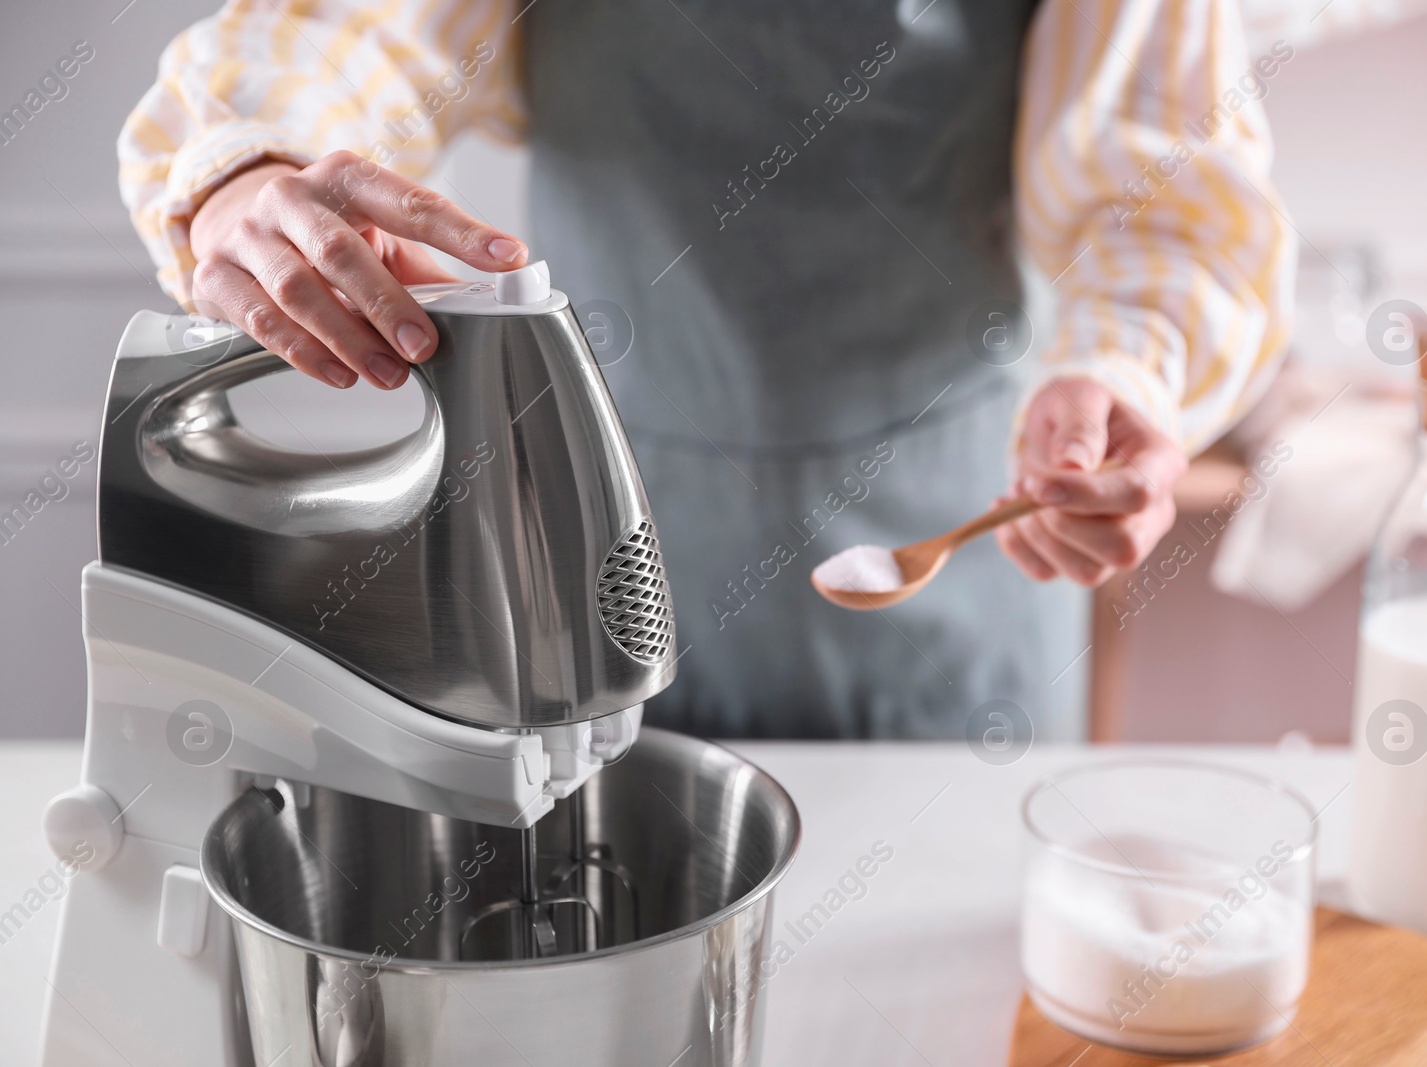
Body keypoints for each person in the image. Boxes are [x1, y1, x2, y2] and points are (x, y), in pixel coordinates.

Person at [118, 0, 1293, 740]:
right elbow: (340, 31)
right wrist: (246, 168)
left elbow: (1166, 191)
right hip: (584, 542)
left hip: (960, 557)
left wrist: (1130, 376)